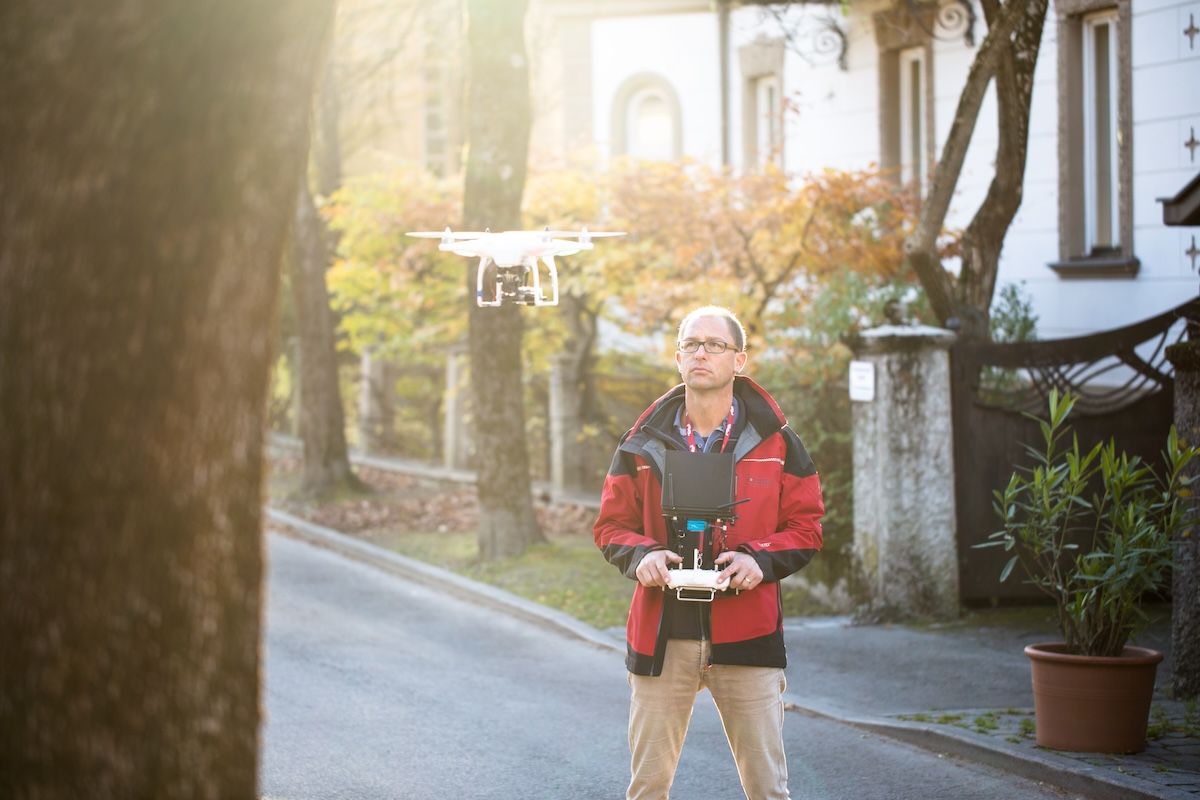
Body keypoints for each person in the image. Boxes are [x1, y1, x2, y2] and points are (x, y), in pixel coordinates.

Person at [594, 305, 824, 800]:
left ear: (739, 359)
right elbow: (611, 526)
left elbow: (806, 528)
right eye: (692, 345)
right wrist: (643, 557)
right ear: (678, 358)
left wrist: (758, 561)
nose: (702, 353)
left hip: (749, 635)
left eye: (715, 345)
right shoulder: (639, 444)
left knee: (768, 791)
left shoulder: (780, 444)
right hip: (662, 637)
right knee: (647, 789)